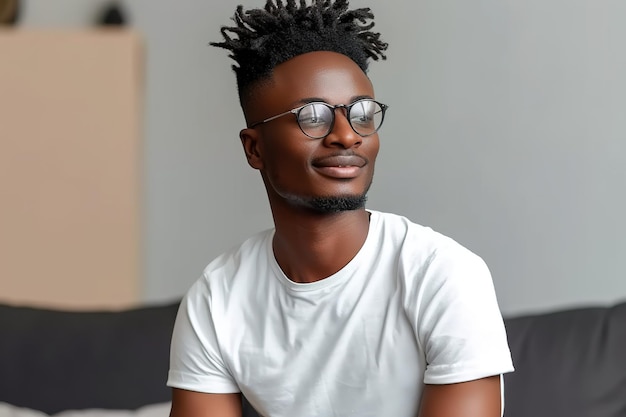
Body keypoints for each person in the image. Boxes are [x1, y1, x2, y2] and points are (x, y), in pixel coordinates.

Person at [167, 1, 514, 416]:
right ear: (255, 148)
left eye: (362, 114)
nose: (347, 136)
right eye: (312, 116)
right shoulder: (217, 299)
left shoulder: (442, 275)